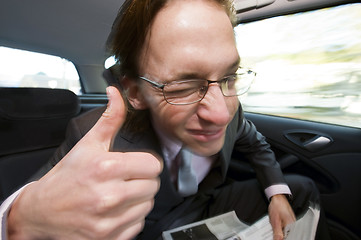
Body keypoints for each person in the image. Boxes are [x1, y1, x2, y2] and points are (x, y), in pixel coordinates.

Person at [0, 0, 329, 239]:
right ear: (135, 93)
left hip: (204, 205)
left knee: (301, 188)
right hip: (147, 229)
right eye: (184, 86)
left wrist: (276, 194)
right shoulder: (91, 135)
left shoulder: (232, 109)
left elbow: (256, 146)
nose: (220, 113)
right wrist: (20, 222)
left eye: (229, 77)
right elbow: (44, 203)